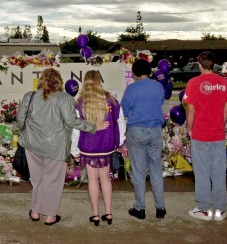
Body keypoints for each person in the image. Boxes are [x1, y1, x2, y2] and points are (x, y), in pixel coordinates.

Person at [18, 68, 108, 226]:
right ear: (59, 82)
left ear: (41, 80)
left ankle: (35, 212)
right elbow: (72, 121)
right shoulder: (65, 98)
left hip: (32, 146)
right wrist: (94, 127)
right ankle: (50, 216)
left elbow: (20, 120)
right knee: (53, 182)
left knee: (37, 180)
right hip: (56, 147)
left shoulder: (29, 96)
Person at [71, 70, 126, 226]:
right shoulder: (112, 101)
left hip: (88, 146)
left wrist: (74, 150)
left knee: (92, 180)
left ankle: (95, 215)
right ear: (100, 81)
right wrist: (119, 142)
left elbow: (75, 129)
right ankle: (108, 213)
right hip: (107, 145)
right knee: (106, 178)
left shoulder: (80, 102)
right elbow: (121, 123)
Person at [184, 51, 227, 221]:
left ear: (199, 64)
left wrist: (190, 129)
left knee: (202, 172)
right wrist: (220, 123)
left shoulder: (193, 83)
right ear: (213, 64)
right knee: (219, 172)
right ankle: (220, 210)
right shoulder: (224, 82)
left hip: (200, 133)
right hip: (218, 133)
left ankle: (204, 209)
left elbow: (190, 109)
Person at [120, 59, 166, 220]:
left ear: (134, 73)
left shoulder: (131, 89)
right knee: (156, 169)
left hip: (137, 131)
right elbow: (160, 102)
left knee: (138, 171)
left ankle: (140, 208)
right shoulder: (158, 86)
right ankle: (160, 207)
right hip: (155, 131)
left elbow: (123, 110)